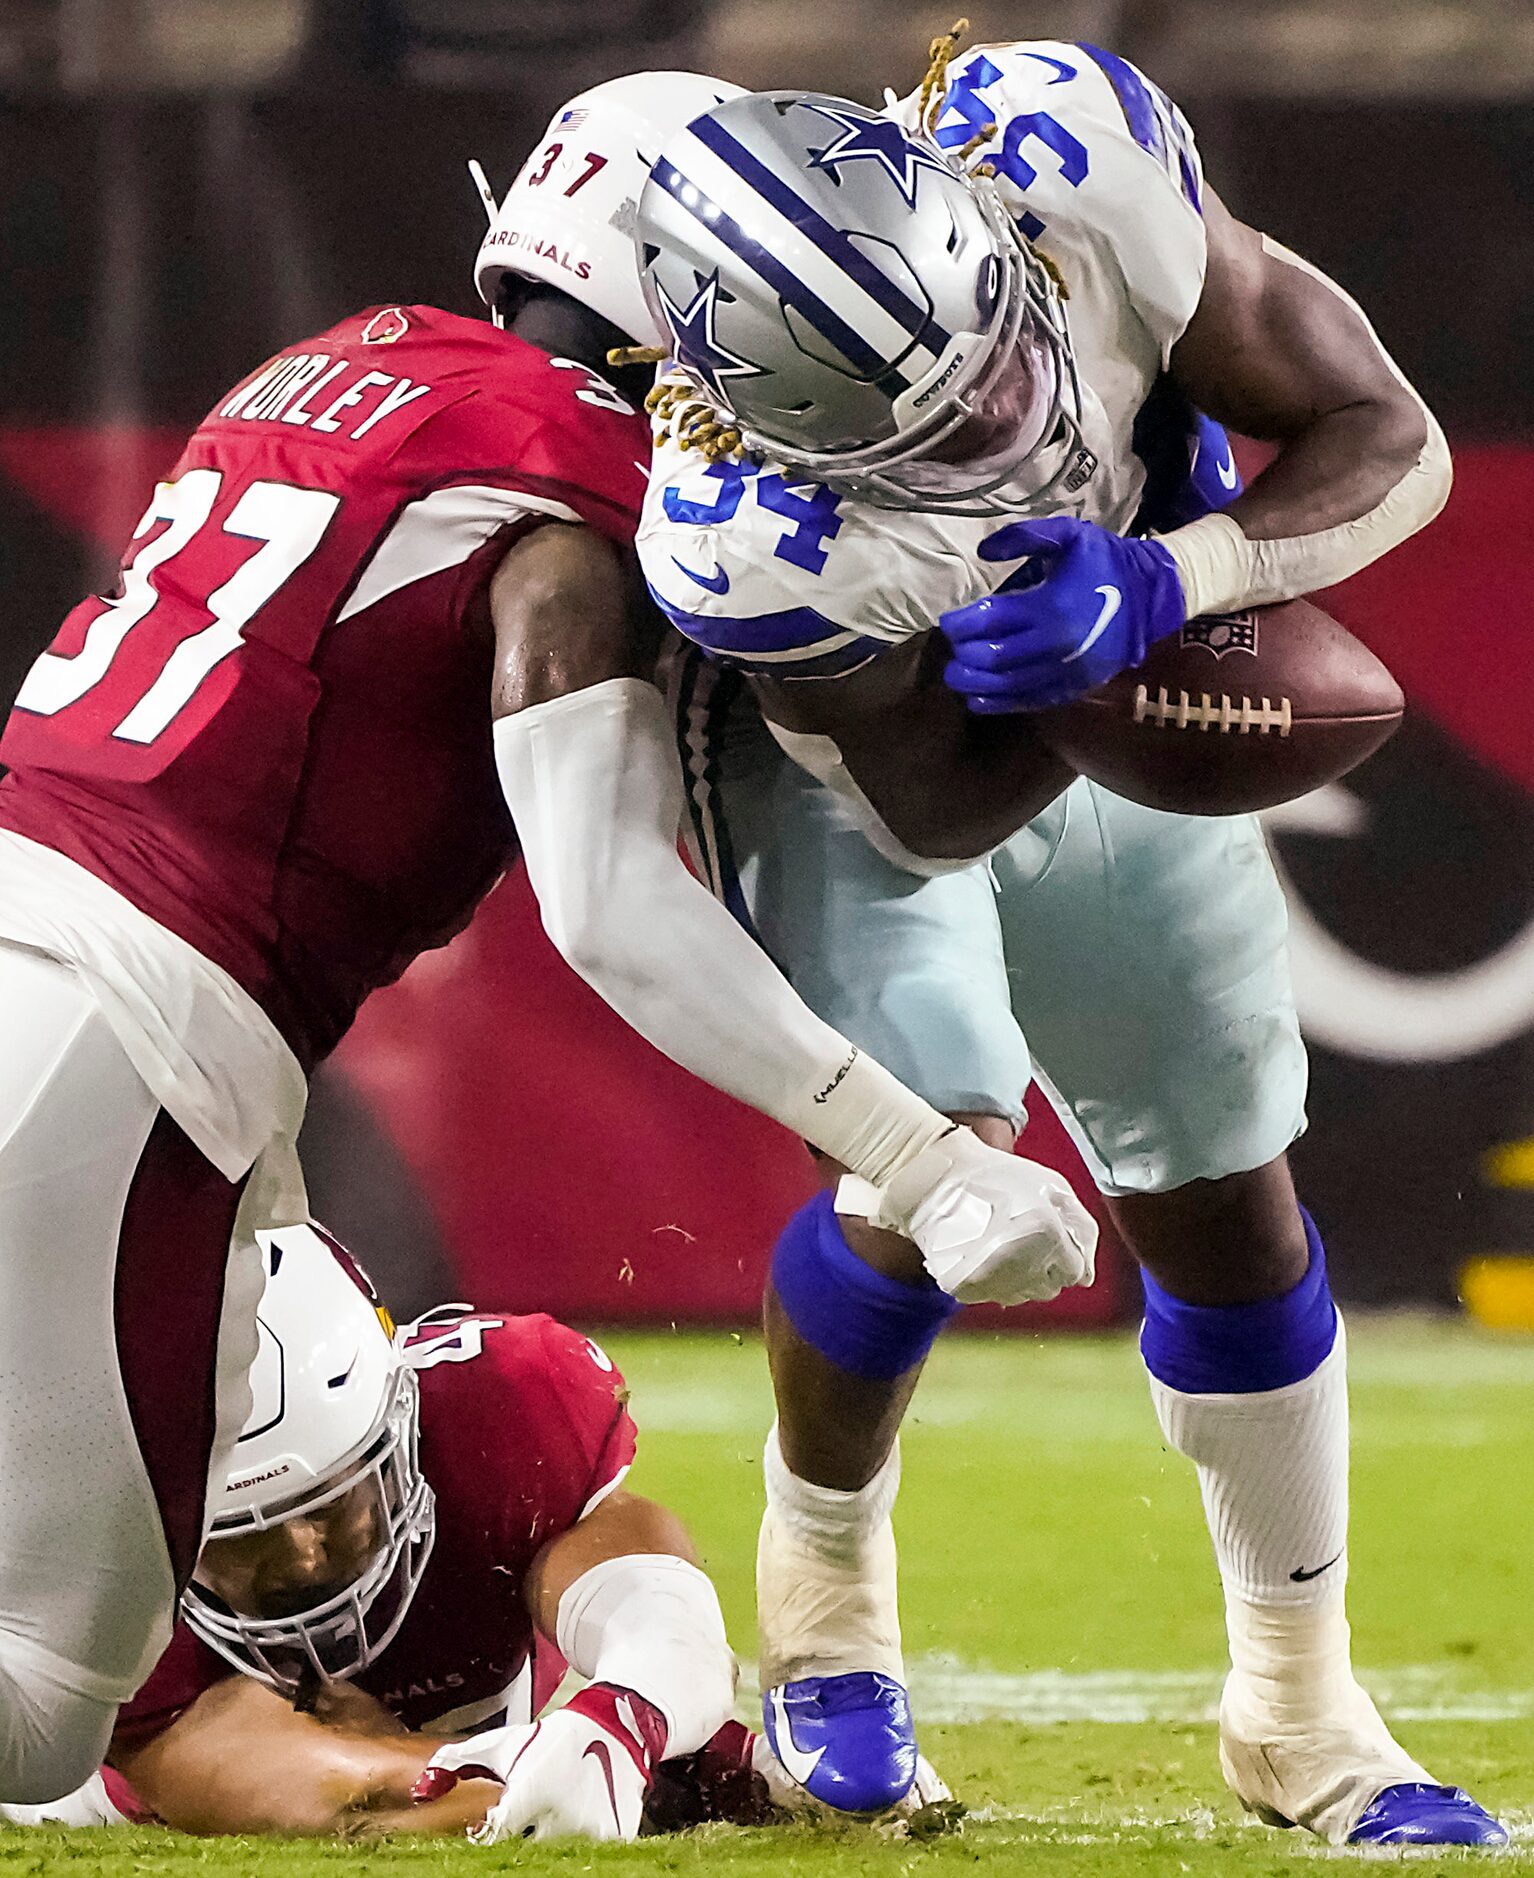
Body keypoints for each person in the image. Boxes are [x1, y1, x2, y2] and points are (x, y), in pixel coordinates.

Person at [0, 71, 1096, 1802]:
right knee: (44, 1700)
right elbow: (608, 906)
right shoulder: (563, 485)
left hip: (68, 954)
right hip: (123, 1022)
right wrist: (925, 1159)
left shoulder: (349, 359)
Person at [617, 26, 1503, 1851]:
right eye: (930, 435)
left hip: (1111, 640)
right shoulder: (750, 534)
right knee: (933, 1165)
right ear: (794, 432)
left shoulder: (1064, 154)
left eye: (998, 366)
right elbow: (926, 811)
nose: (1009, 431)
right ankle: (828, 1635)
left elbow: (1381, 434)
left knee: (1227, 1188)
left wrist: (1180, 577)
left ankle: (1295, 1701)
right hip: (880, 774)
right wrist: (1074, 688)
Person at [1, 1223, 932, 1841]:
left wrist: (626, 1718)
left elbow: (646, 1579)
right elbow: (321, 1794)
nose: (305, 1562)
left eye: (331, 1506)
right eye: (243, 1538)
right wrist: (574, 1768)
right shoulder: (86, 1555)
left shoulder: (496, 1409)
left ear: (400, 1430)